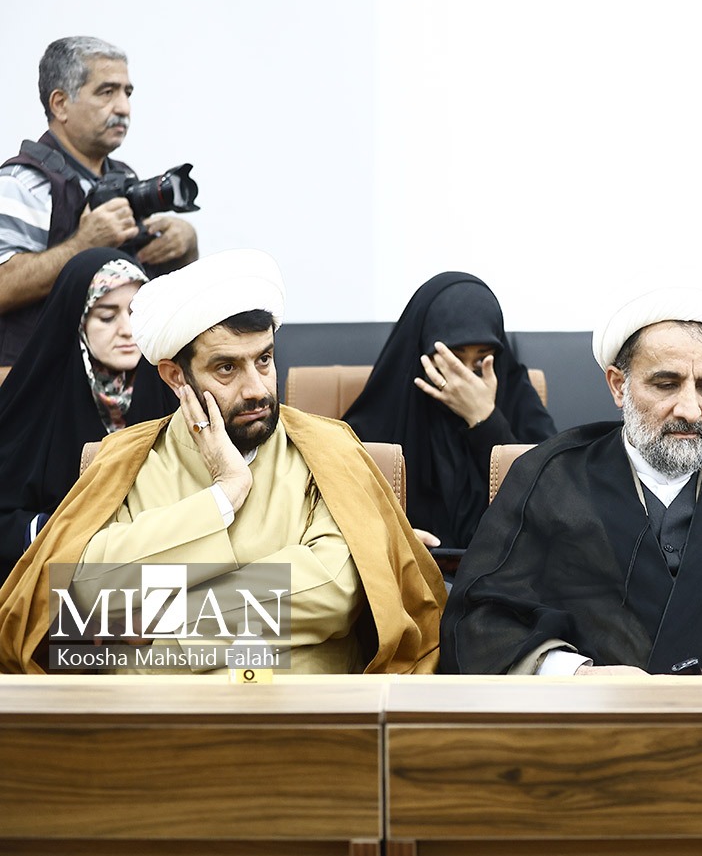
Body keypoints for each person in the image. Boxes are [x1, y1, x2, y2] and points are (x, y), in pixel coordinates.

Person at [0, 249, 444, 674]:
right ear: (176, 376)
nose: (256, 389)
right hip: (157, 712)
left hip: (298, 707)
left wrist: (160, 620)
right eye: (227, 368)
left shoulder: (327, 450)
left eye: (264, 360)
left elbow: (333, 591)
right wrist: (223, 496)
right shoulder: (127, 461)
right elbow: (88, 590)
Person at [441, 287, 702, 675]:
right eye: (667, 384)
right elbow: (479, 621)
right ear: (618, 386)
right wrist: (577, 676)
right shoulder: (548, 476)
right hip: (590, 723)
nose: (691, 409)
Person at [0, 36, 199, 365]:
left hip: (123, 380)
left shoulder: (124, 177)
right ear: (60, 104)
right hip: (42, 384)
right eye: (107, 92)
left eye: (127, 93)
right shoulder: (22, 182)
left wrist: (185, 246)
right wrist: (83, 245)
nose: (123, 107)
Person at [344, 271, 556, 550]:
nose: (464, 381)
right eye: (451, 360)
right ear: (421, 354)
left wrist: (486, 420)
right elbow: (341, 515)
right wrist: (388, 536)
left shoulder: (515, 396)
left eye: (481, 362)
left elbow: (551, 501)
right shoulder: (379, 418)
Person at [0, 247, 176, 578]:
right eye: (107, 317)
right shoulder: (35, 400)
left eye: (136, 313)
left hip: (158, 570)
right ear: (76, 319)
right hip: (56, 578)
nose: (128, 330)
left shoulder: (173, 388)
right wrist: (55, 533)